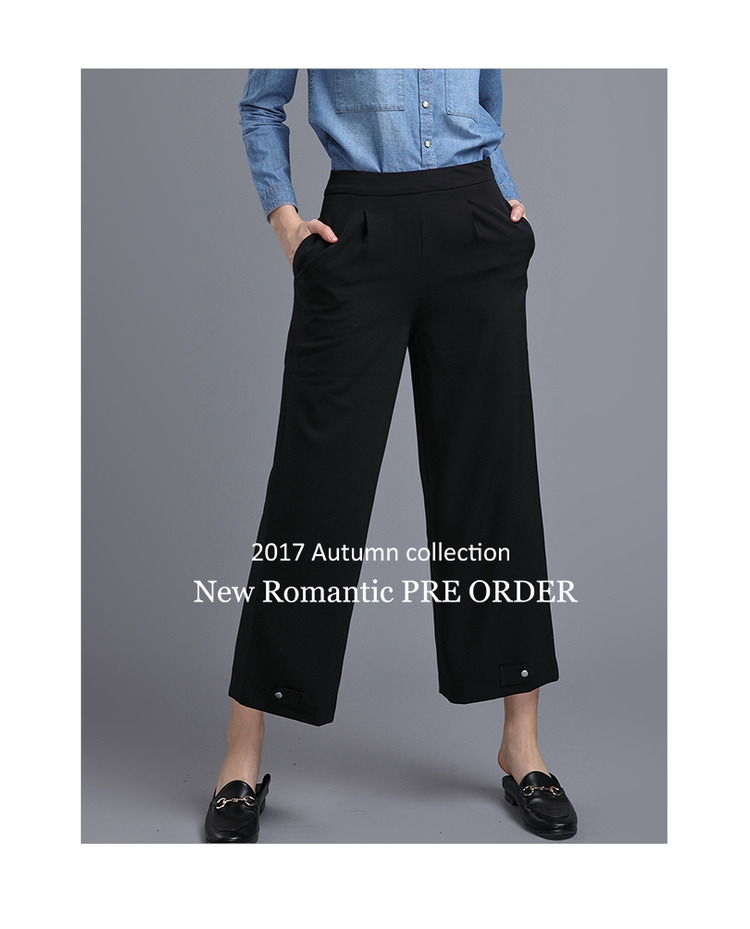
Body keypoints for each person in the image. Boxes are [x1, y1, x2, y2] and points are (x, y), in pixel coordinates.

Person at [204, 69, 578, 843]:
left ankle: (523, 744)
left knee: (496, 480)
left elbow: (485, 103)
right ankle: (240, 752)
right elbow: (260, 102)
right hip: (359, 228)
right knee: (313, 491)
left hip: (474, 223)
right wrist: (285, 219)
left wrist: (506, 201)